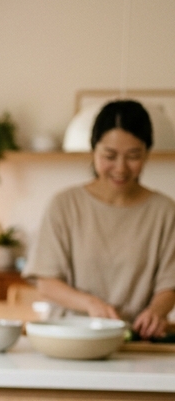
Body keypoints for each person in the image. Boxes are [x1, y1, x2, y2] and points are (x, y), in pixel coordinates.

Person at [25, 99, 175, 337]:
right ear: (94, 151)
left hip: (136, 342)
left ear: (147, 153)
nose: (121, 168)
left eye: (133, 156)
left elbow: (170, 285)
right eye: (110, 155)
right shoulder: (65, 205)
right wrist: (90, 304)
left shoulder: (165, 211)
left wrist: (156, 311)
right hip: (71, 337)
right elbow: (46, 283)